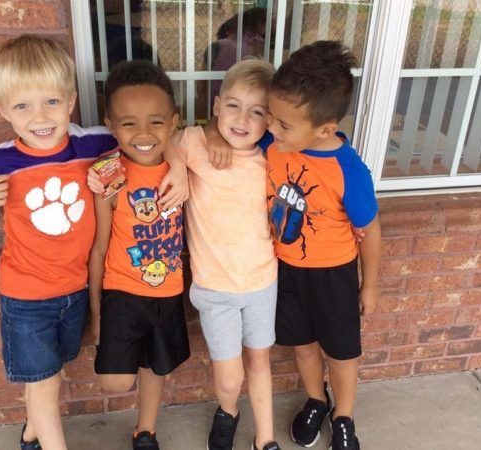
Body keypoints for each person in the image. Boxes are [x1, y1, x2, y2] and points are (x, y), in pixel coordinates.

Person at [0, 35, 186, 450]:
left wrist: (182, 168)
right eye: (22, 106)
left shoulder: (94, 143)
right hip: (25, 295)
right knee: (44, 382)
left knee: (54, 370)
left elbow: (152, 137)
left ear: (71, 100)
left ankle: (32, 430)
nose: (39, 117)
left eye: (51, 102)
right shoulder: (1, 160)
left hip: (74, 290)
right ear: (2, 109)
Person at [266, 41, 382, 450]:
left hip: (334, 275)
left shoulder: (349, 170)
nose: (271, 130)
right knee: (302, 346)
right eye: (271, 117)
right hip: (287, 272)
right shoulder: (274, 147)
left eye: (283, 124)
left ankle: (344, 414)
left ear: (325, 128)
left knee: (342, 353)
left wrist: (368, 286)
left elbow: (372, 230)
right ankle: (317, 399)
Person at [173, 59, 281, 450]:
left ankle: (265, 438)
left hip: (261, 282)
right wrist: (200, 138)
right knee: (230, 376)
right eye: (233, 105)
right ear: (216, 105)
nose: (242, 119)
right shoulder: (195, 144)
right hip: (215, 287)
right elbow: (165, 142)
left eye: (257, 112)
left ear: (269, 120)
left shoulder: (273, 160)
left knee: (259, 362)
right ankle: (228, 410)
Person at [88, 60, 190, 450]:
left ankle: (145, 430)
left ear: (174, 122)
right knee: (115, 381)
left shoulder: (185, 168)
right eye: (129, 123)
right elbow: (99, 247)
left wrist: (179, 161)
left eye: (156, 122)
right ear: (111, 125)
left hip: (168, 291)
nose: (144, 134)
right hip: (122, 292)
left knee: (156, 365)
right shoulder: (108, 175)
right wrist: (97, 313)